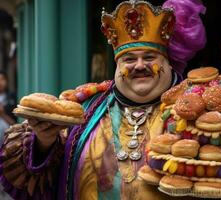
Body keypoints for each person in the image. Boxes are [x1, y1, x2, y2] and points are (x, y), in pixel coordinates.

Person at [0, 0, 206, 199]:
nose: (139, 65)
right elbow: (38, 182)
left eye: (150, 57)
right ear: (117, 66)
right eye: (129, 59)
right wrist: (44, 141)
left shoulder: (200, 109)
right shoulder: (83, 108)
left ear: (168, 62)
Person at [0, 70, 15, 144]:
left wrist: (2, 113)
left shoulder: (12, 98)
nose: (0, 82)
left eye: (2, 79)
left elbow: (16, 124)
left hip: (8, 142)